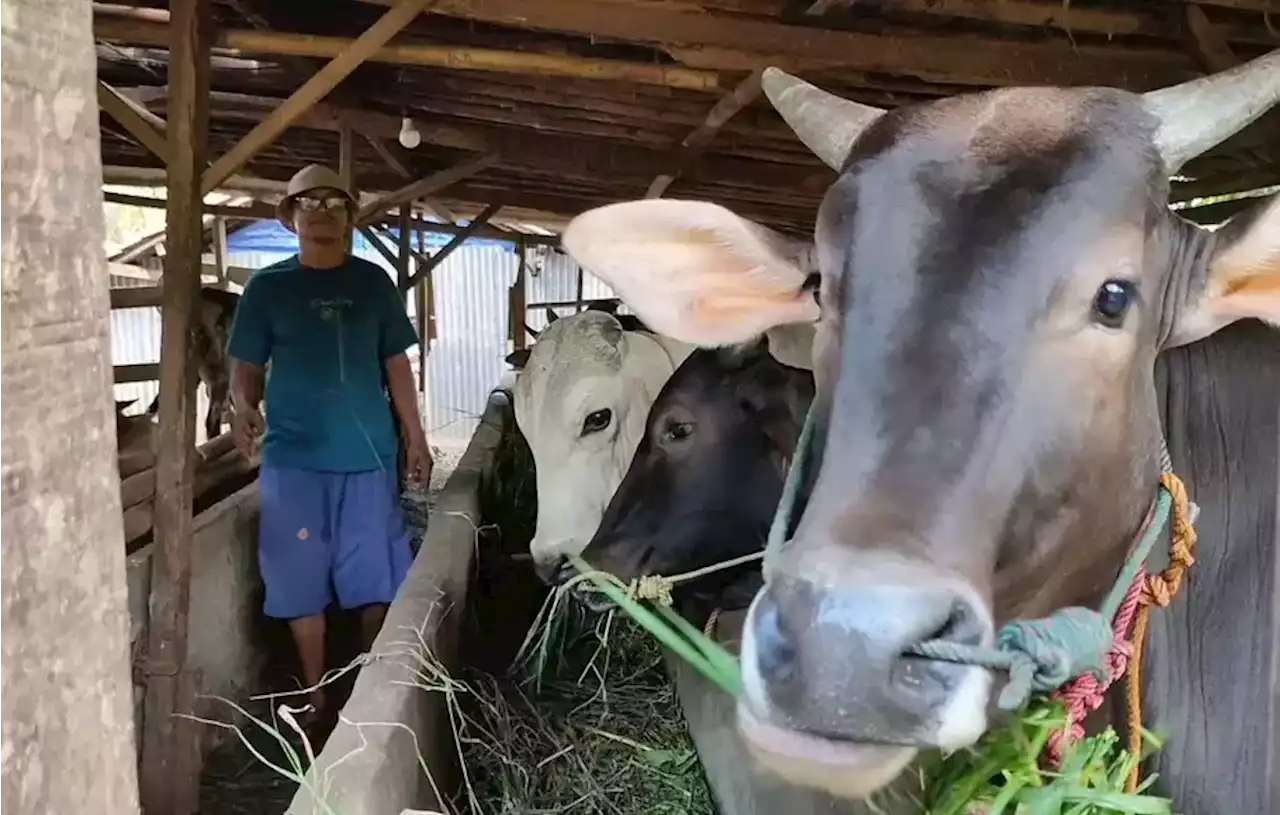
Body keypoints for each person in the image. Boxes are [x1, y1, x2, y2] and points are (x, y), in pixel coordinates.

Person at [227, 164, 434, 727]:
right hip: (293, 461)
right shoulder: (267, 288)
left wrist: (414, 437)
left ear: (349, 217)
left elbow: (397, 365)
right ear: (291, 217)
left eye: (333, 203)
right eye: (308, 203)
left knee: (375, 574)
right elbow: (245, 366)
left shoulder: (373, 285)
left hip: (368, 458)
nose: (321, 211)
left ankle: (372, 689)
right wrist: (243, 407)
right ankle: (318, 698)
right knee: (298, 573)